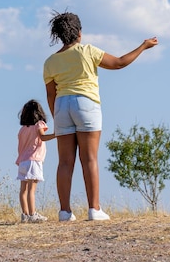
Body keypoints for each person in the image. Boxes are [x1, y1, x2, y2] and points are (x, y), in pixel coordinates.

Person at [43, 11, 158, 222]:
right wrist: (143, 46)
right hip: (85, 103)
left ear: (59, 35)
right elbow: (119, 63)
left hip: (61, 105)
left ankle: (65, 212)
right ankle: (94, 209)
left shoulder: (50, 61)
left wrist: (57, 116)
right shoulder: (87, 51)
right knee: (89, 159)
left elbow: (51, 94)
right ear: (79, 32)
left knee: (65, 162)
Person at [16, 99, 56, 222]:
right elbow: (42, 137)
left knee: (23, 189)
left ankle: (25, 215)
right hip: (33, 160)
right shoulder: (39, 124)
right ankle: (33, 214)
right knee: (31, 189)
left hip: (22, 161)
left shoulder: (22, 129)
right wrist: (56, 135)